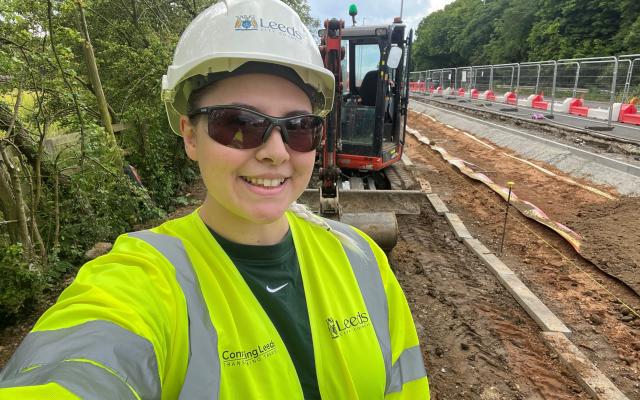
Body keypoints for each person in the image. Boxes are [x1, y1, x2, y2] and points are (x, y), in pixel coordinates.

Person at [0, 0, 429, 398]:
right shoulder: (144, 280)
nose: (276, 151)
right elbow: (79, 363)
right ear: (190, 134)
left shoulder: (363, 261)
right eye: (240, 123)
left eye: (298, 126)